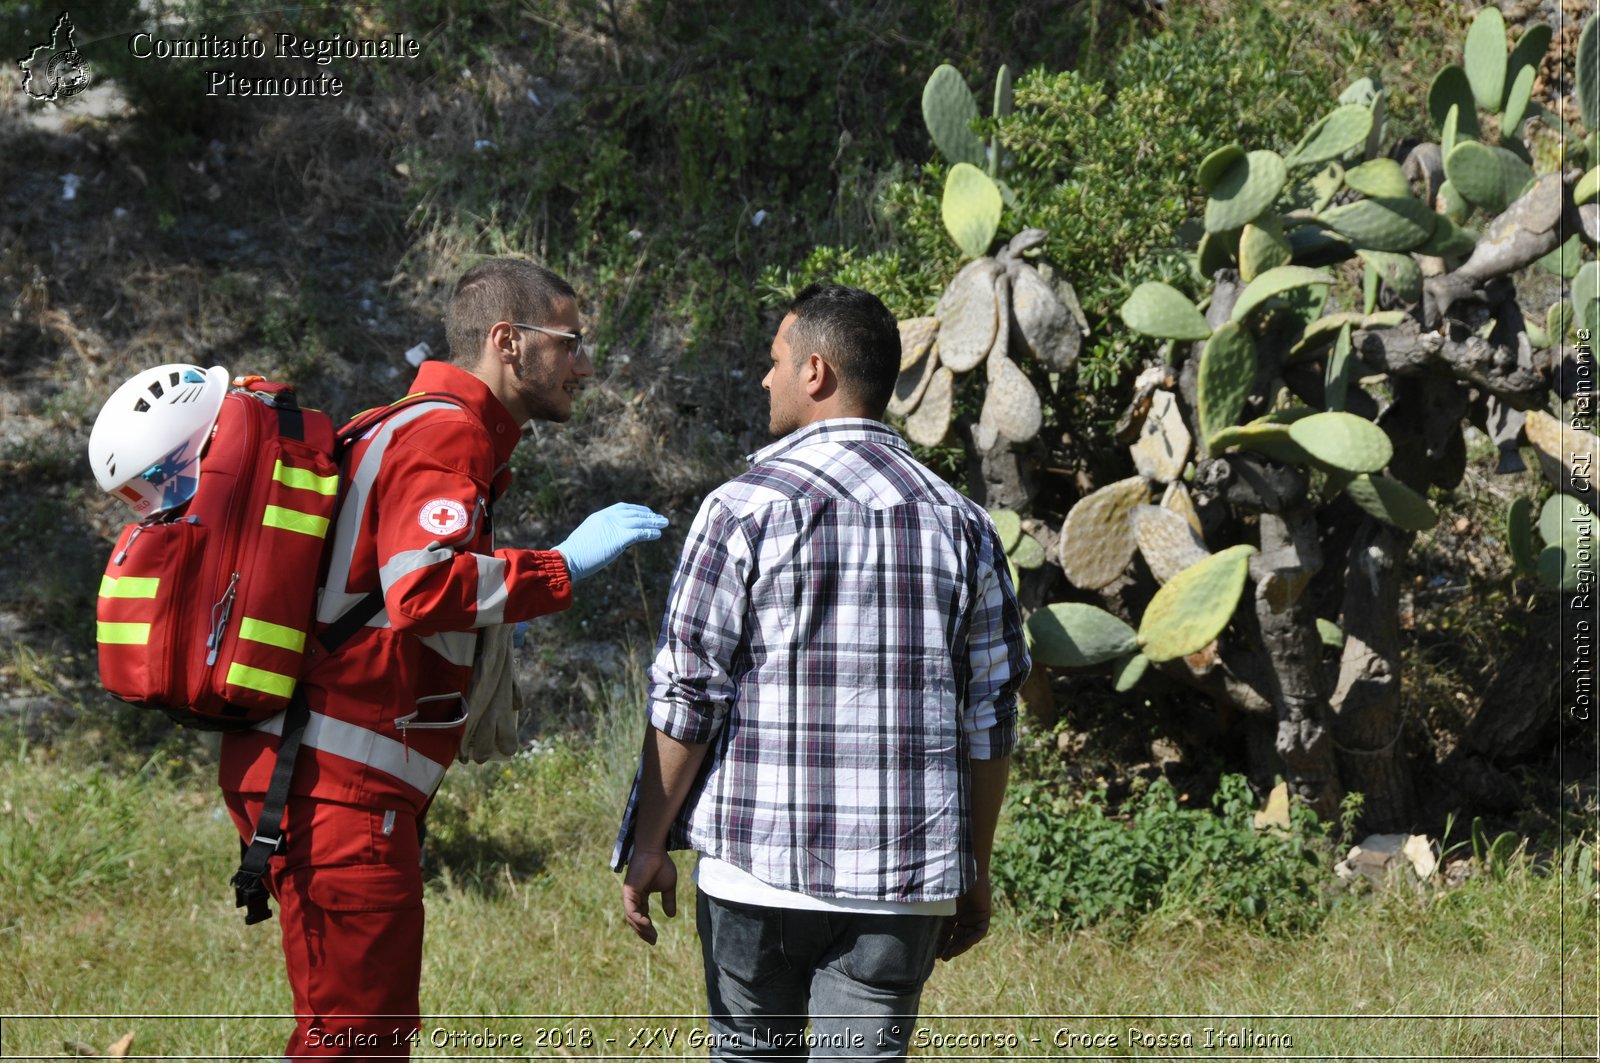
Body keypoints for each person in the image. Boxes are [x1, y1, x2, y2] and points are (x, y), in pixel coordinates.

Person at [220, 258, 667, 1059]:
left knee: (355, 1033)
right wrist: (560, 565)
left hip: (323, 774)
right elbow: (422, 587)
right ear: (509, 342)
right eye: (571, 342)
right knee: (356, 1043)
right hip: (337, 785)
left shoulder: (406, 422)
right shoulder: (445, 430)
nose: (586, 364)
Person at [613, 283, 1029, 1061]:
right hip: (904, 888)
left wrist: (648, 842)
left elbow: (687, 693)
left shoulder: (740, 508)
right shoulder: (965, 524)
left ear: (815, 371)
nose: (764, 381)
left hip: (754, 877)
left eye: (774, 362)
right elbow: (990, 715)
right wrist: (973, 866)